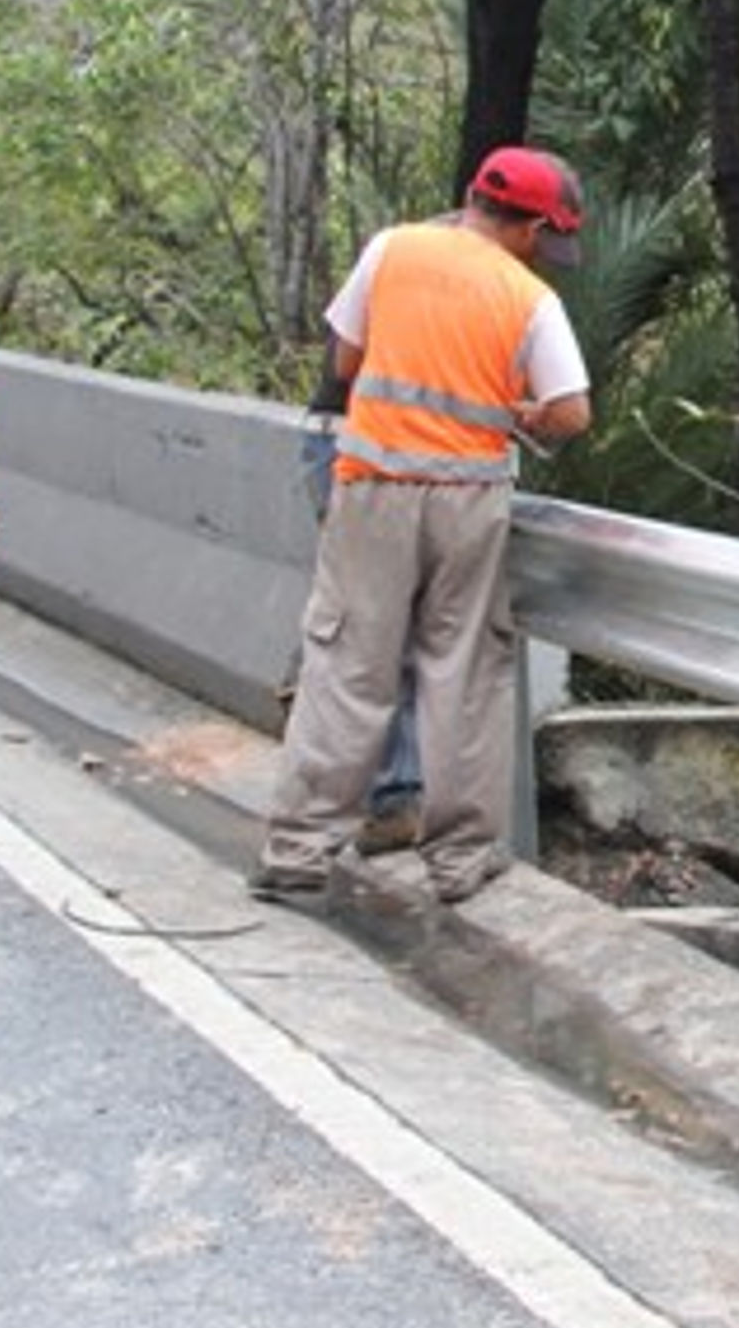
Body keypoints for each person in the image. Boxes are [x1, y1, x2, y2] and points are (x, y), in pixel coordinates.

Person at [250, 146, 592, 908]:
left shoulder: (392, 249)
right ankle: (462, 860)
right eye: (548, 236)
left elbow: (345, 359)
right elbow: (572, 410)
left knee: (347, 664)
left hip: (373, 488)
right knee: (462, 673)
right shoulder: (527, 296)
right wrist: (522, 413)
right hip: (468, 502)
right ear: (531, 225)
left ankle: (299, 851)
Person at [299, 340, 425, 853]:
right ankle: (386, 796)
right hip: (360, 454)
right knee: (378, 635)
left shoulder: (398, 267)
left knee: (375, 631)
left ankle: (379, 795)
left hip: (370, 453)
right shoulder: (406, 269)